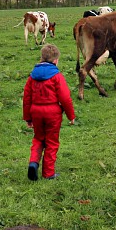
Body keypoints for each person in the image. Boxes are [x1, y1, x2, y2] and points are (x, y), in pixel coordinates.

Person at [23, 43, 75, 181]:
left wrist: (28, 118)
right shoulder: (57, 76)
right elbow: (65, 98)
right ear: (56, 61)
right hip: (53, 113)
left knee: (38, 138)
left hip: (36, 112)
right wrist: (71, 116)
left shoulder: (32, 76)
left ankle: (33, 163)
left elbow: (26, 98)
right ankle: (48, 173)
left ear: (42, 57)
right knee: (51, 142)